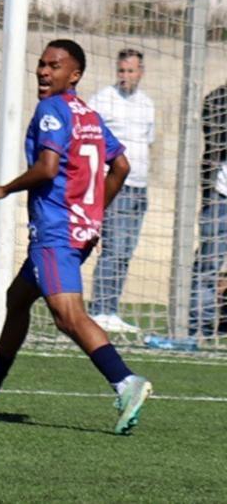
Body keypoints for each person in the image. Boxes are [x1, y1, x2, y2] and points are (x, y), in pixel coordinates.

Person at [0, 39, 152, 436]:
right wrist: (93, 212)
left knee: (67, 316)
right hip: (77, 229)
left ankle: (125, 381)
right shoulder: (89, 115)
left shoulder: (53, 110)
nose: (44, 72)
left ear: (73, 75)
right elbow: (122, 165)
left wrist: (4, 189)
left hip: (55, 231)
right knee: (18, 298)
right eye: (41, 65)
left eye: (55, 66)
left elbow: (47, 168)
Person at [87, 48, 155, 334]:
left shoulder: (147, 104)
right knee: (113, 248)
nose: (126, 76)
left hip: (140, 186)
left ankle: (110, 309)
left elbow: (148, 141)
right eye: (122, 71)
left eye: (131, 71)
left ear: (141, 72)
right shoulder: (103, 100)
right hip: (115, 183)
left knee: (126, 251)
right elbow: (89, 141)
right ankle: (100, 309)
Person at [190, 80, 227, 337]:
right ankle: (199, 326)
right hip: (220, 196)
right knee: (208, 264)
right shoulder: (219, 99)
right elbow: (214, 142)